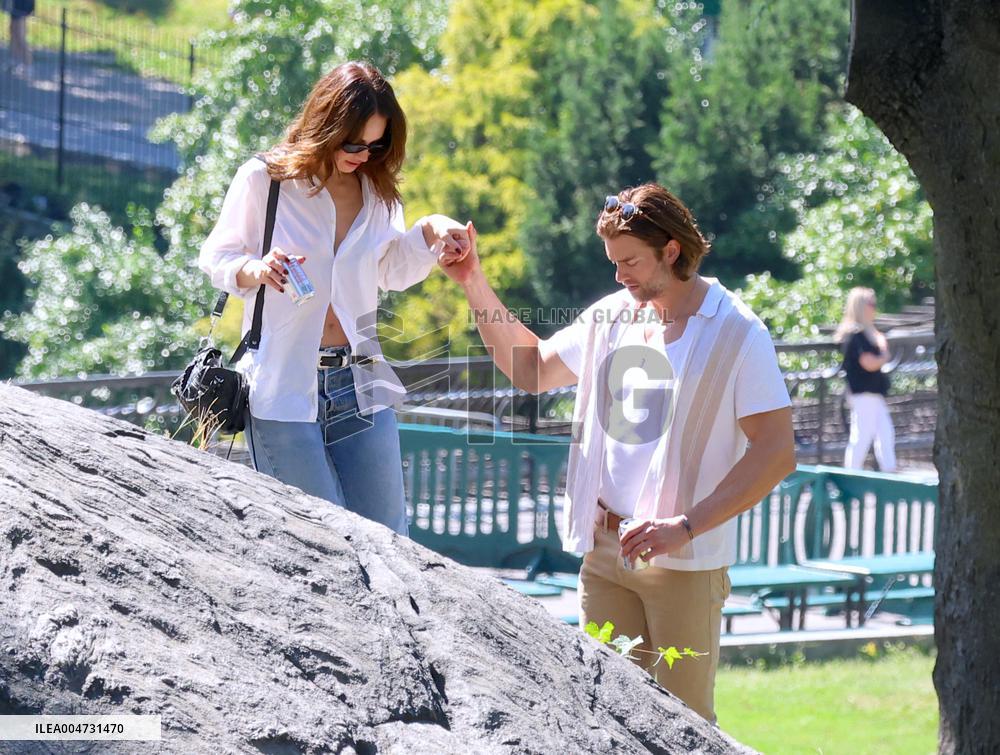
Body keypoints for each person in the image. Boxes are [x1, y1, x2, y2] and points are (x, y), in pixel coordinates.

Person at [439, 184, 795, 722]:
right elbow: (532, 368)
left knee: (685, 728)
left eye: (629, 261)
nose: (619, 275)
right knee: (600, 720)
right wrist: (474, 283)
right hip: (604, 555)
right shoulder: (614, 315)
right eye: (614, 262)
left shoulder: (739, 332)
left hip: (686, 564)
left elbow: (776, 454)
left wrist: (685, 526)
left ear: (671, 251)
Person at [199, 61, 470, 535]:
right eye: (354, 143)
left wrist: (430, 232)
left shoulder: (378, 193)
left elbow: (388, 270)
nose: (364, 156)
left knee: (390, 539)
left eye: (377, 145)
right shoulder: (265, 181)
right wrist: (256, 270)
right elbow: (216, 256)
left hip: (360, 384)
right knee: (320, 540)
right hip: (282, 388)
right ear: (326, 125)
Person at [835, 286, 896, 472]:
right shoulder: (855, 336)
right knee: (861, 437)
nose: (874, 307)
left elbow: (880, 344)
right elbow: (868, 363)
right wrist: (884, 356)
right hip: (862, 393)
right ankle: (852, 474)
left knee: (886, 434)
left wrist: (881, 349)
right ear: (861, 306)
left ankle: (889, 473)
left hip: (874, 392)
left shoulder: (869, 333)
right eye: (871, 303)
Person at [4, 0, 33, 72]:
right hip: (15, 4)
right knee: (13, 32)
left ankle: (28, 63)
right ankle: (15, 60)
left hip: (22, 5)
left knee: (20, 34)